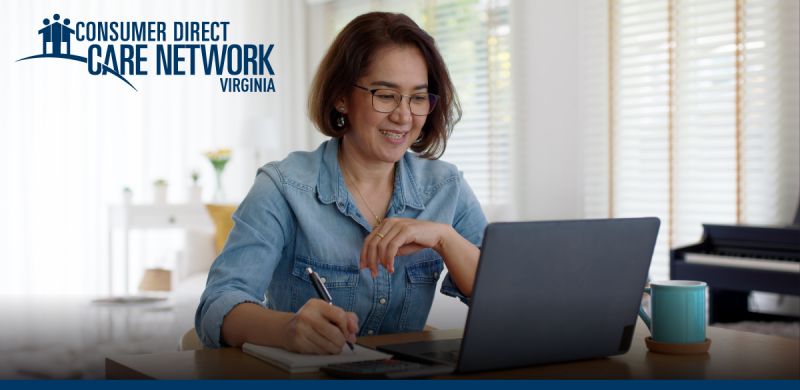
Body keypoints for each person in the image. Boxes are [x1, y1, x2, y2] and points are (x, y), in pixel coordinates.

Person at [196, 12, 487, 354]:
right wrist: (288, 329)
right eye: (385, 94)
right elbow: (217, 304)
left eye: (418, 97)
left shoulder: (446, 187)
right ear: (341, 97)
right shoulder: (283, 187)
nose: (404, 116)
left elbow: (510, 300)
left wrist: (443, 238)